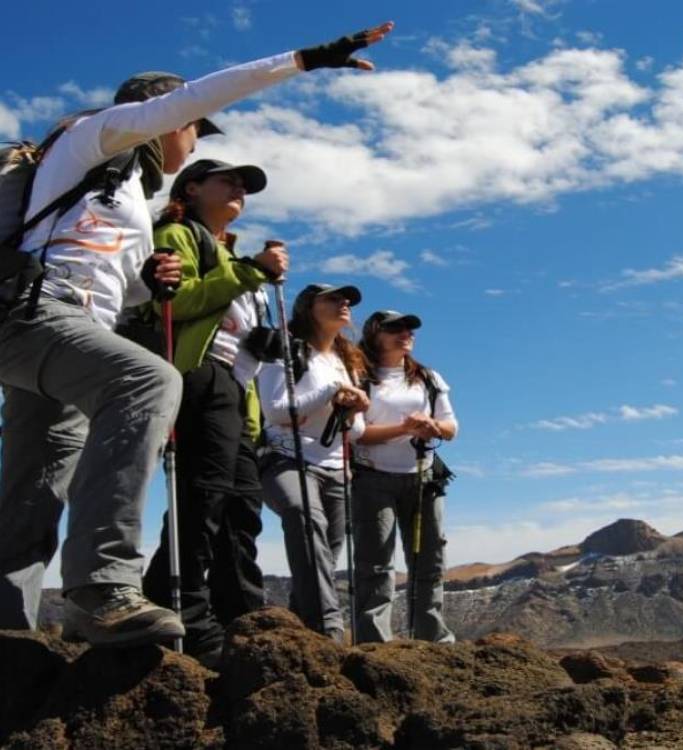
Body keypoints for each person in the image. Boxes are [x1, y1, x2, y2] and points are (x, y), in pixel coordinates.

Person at [0, 22, 393, 647]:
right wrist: (304, 60)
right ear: (158, 117)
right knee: (148, 379)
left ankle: (11, 639)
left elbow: (112, 285)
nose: (192, 134)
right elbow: (188, 100)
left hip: (71, 335)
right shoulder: (92, 141)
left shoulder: (126, 194)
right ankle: (103, 587)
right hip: (38, 315)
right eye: (190, 126)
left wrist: (147, 281)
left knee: (34, 487)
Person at [140, 159, 286, 665]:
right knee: (203, 497)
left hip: (235, 389)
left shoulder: (227, 255)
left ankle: (242, 613)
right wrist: (250, 274)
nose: (240, 190)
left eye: (245, 187)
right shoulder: (177, 233)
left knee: (241, 505)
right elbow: (174, 305)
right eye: (230, 181)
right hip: (199, 378)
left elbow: (230, 325)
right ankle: (180, 608)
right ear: (193, 187)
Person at [257, 283, 369, 641]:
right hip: (285, 458)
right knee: (304, 519)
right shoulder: (285, 351)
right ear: (308, 307)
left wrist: (351, 411)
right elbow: (274, 411)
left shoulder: (346, 360)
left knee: (324, 553)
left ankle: (299, 630)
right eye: (333, 298)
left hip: (336, 467)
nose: (344, 304)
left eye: (347, 300)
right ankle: (330, 630)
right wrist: (329, 393)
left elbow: (356, 431)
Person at [353, 310, 458, 643]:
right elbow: (356, 434)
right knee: (375, 563)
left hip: (423, 476)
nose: (406, 333)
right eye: (395, 328)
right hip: (371, 477)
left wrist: (432, 428)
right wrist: (405, 428)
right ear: (374, 334)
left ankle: (432, 639)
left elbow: (451, 428)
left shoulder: (428, 378)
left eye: (409, 328)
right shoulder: (358, 377)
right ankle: (374, 643)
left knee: (429, 559)